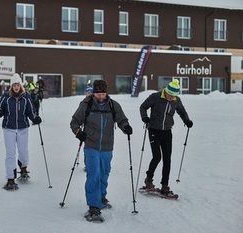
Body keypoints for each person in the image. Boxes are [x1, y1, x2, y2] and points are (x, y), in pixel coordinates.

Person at [70, 80, 133, 222]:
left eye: (103, 93)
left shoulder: (113, 105)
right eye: (98, 93)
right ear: (93, 93)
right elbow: (74, 122)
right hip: (91, 145)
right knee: (94, 175)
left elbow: (122, 119)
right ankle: (93, 206)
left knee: (104, 174)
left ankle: (101, 198)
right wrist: (78, 132)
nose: (101, 96)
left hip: (107, 146)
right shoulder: (86, 104)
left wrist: (126, 126)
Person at [140, 79, 193, 196]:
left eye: (173, 96)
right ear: (166, 91)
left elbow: (182, 112)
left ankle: (165, 186)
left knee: (167, 159)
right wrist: (145, 118)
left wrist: (187, 121)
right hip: (154, 130)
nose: (171, 98)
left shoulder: (176, 100)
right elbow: (143, 107)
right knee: (157, 156)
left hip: (167, 132)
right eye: (169, 95)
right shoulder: (156, 96)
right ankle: (148, 180)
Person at [0, 73, 42, 191]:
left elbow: (30, 111)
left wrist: (35, 118)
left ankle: (23, 168)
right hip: (9, 128)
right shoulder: (5, 96)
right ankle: (10, 179)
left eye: (18, 85)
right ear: (11, 86)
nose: (16, 87)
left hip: (23, 128)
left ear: (21, 85)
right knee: (10, 153)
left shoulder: (26, 97)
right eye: (14, 85)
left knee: (23, 151)